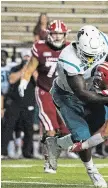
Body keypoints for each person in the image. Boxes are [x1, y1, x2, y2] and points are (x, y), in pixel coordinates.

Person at [48, 25, 108, 188]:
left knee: (100, 131)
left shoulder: (102, 41)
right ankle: (92, 171)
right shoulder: (68, 58)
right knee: (82, 137)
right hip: (68, 95)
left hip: (92, 89)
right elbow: (81, 93)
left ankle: (57, 144)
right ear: (79, 46)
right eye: (89, 55)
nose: (93, 59)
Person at [19, 20, 72, 173]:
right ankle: (49, 162)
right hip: (45, 91)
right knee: (50, 128)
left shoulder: (70, 48)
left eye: (59, 34)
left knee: (67, 131)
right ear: (49, 34)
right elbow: (30, 68)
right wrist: (24, 80)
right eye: (54, 33)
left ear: (65, 34)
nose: (57, 37)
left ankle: (55, 152)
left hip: (64, 93)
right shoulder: (40, 47)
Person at [2, 49, 37, 159]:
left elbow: (38, 80)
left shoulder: (35, 69)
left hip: (28, 103)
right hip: (15, 103)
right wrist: (23, 70)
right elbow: (12, 80)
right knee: (8, 127)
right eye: (25, 57)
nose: (27, 59)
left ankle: (27, 153)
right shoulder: (15, 68)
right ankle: (3, 152)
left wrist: (31, 70)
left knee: (28, 129)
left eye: (28, 57)